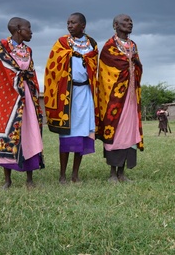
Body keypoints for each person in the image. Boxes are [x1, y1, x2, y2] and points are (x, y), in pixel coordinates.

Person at [0, 17, 44, 189]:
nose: (31, 31)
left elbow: (31, 72)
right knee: (9, 135)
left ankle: (30, 179)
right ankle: (8, 180)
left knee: (30, 133)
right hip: (8, 99)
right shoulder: (1, 48)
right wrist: (21, 78)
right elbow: (0, 74)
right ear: (18, 29)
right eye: (29, 28)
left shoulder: (28, 50)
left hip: (27, 97)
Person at [44, 12, 98, 184]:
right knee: (66, 135)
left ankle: (75, 175)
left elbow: (95, 67)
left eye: (73, 23)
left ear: (83, 26)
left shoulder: (93, 44)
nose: (69, 26)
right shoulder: (61, 43)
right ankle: (62, 175)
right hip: (67, 94)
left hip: (85, 93)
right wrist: (70, 55)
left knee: (81, 134)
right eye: (68, 23)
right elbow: (51, 67)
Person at [96, 14, 143, 182]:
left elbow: (137, 66)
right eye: (125, 21)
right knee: (115, 132)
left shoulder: (133, 45)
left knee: (128, 132)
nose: (129, 23)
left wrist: (134, 66)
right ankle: (112, 173)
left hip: (130, 97)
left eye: (131, 21)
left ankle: (122, 173)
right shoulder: (109, 46)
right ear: (115, 25)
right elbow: (105, 72)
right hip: (114, 98)